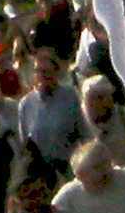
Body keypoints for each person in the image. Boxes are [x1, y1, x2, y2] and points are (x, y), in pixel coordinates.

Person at [17, 50, 86, 182]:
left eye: (46, 72)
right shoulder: (26, 105)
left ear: (56, 72)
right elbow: (24, 145)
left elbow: (83, 131)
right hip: (42, 173)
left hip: (68, 168)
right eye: (39, 71)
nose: (42, 76)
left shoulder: (70, 96)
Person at [80, 76, 125, 185]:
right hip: (100, 183)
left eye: (103, 97)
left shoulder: (122, 114)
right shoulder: (80, 120)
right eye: (92, 98)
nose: (101, 103)